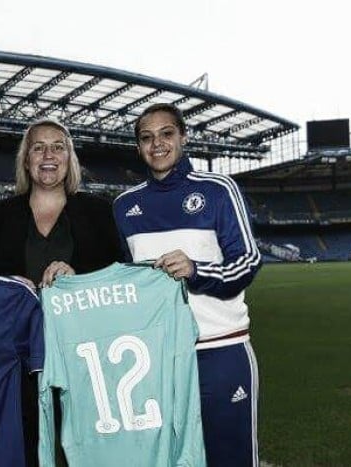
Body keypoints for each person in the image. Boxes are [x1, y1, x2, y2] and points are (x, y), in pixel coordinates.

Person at [0, 118, 121, 466]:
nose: (48, 154)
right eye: (38, 147)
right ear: (26, 159)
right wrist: (6, 284)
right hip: (15, 364)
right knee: (23, 452)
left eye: (58, 146)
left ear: (70, 158)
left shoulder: (99, 213)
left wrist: (78, 278)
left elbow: (120, 283)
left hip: (84, 362)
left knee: (82, 454)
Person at [113, 103, 261, 467]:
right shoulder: (124, 206)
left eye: (166, 134)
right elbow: (123, 280)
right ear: (138, 147)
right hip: (157, 361)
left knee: (231, 458)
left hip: (220, 350)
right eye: (146, 138)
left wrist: (197, 271)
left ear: (183, 137)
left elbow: (248, 261)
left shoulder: (218, 189)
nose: (157, 144)